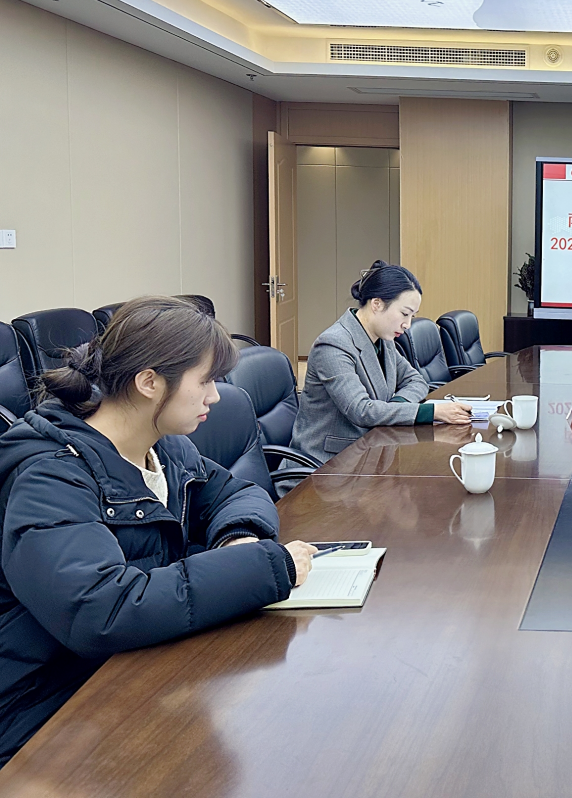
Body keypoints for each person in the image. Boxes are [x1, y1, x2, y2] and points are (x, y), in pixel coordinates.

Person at [0, 296, 316, 766]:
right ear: (149, 382)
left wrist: (238, 539)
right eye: (205, 381)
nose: (215, 396)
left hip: (133, 666)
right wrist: (260, 568)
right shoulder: (49, 477)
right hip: (46, 707)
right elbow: (102, 610)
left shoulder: (163, 447)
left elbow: (236, 494)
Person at [292, 261, 471, 475]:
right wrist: (432, 412)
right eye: (404, 313)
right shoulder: (333, 345)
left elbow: (416, 381)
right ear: (377, 304)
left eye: (412, 316)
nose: (407, 325)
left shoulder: (383, 339)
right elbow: (361, 410)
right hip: (328, 465)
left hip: (371, 453)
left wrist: (395, 406)